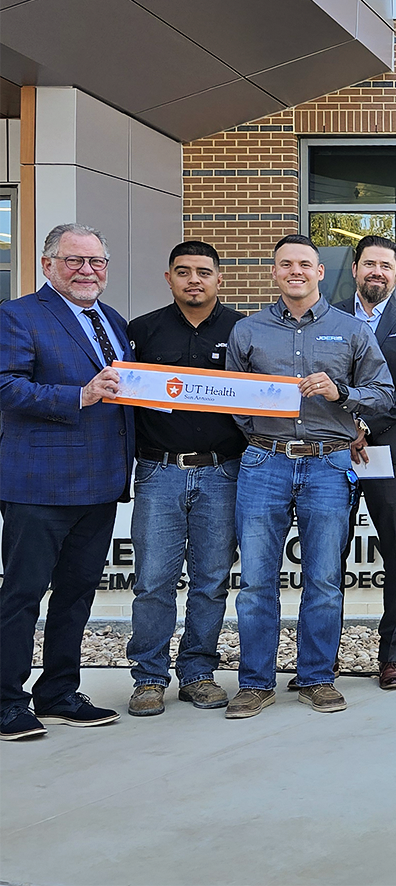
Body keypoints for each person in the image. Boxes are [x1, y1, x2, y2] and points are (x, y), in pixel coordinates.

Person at [226, 234, 394, 719]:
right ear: (274, 273)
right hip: (264, 460)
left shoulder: (352, 330)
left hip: (327, 463)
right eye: (285, 264)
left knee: (323, 577)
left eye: (305, 264)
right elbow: (234, 401)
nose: (295, 271)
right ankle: (255, 683)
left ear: (321, 272)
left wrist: (342, 393)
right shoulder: (249, 330)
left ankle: (317, 678)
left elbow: (383, 392)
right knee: (257, 579)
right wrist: (261, 433)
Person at [0, 223, 133, 740]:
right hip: (39, 485)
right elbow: (6, 387)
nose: (87, 271)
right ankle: (7, 701)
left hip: (99, 484)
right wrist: (77, 395)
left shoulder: (113, 320)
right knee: (23, 595)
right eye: (75, 261)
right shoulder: (18, 316)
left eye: (96, 262)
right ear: (47, 263)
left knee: (76, 595)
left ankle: (57, 692)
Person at [122, 240, 246, 717]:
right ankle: (149, 677)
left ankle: (198, 672)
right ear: (168, 277)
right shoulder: (141, 331)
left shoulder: (242, 330)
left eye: (203, 272)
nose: (194, 280)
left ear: (220, 277)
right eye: (183, 271)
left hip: (222, 470)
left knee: (212, 579)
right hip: (158, 470)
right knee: (153, 579)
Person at [334, 235, 396, 690]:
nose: (376, 272)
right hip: (331, 449)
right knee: (326, 552)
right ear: (355, 268)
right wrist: (345, 429)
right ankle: (322, 657)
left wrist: (366, 427)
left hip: (389, 449)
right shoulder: (325, 316)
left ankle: (392, 656)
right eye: (368, 263)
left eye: (385, 266)